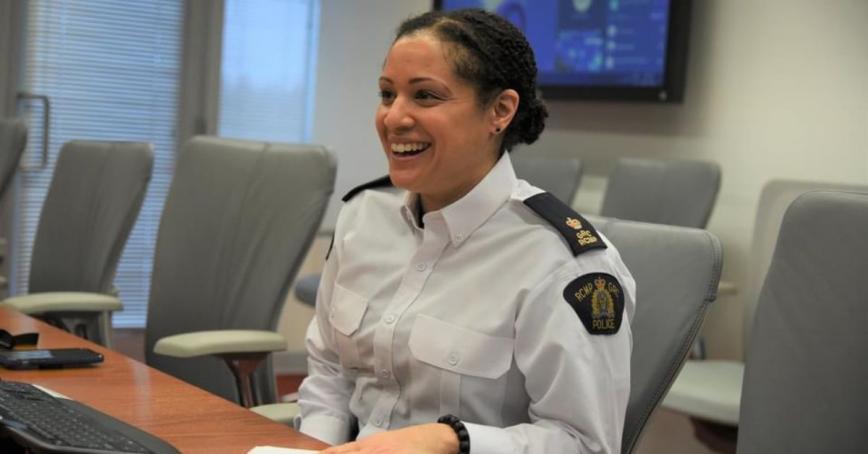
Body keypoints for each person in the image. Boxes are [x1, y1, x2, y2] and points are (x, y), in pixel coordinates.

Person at [296, 8, 635, 454]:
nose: (393, 118)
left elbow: (586, 444)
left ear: (500, 110)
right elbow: (330, 373)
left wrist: (453, 439)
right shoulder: (363, 216)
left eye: (425, 96)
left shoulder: (564, 264)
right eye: (386, 94)